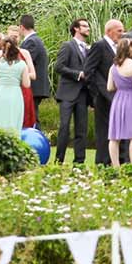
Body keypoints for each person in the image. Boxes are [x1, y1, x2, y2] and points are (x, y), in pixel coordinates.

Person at [53, 18, 96, 164]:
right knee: (64, 127)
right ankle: (59, 160)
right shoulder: (68, 46)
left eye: (88, 26)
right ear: (76, 29)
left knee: (81, 130)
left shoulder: (89, 49)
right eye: (84, 26)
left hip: (83, 94)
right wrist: (78, 74)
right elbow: (59, 67)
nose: (88, 28)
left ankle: (79, 162)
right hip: (68, 93)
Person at [86, 19, 123, 165]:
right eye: (119, 30)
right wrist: (98, 93)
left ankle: (118, 160)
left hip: (117, 96)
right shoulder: (99, 46)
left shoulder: (118, 47)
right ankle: (102, 162)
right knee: (104, 131)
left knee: (116, 130)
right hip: (103, 97)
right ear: (109, 31)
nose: (122, 33)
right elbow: (89, 71)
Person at [107, 38, 132, 165]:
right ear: (130, 49)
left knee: (114, 137)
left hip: (118, 100)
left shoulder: (114, 66)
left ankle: (116, 166)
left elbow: (110, 87)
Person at [0, 36, 29, 134]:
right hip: (15, 94)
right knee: (13, 120)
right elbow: (26, 84)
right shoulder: (22, 64)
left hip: (0, 93)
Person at [18, 15, 50, 128]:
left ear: (22, 27)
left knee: (32, 116)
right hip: (36, 86)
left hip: (34, 86)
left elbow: (23, 63)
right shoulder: (35, 40)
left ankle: (36, 141)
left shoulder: (31, 42)